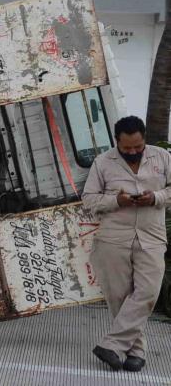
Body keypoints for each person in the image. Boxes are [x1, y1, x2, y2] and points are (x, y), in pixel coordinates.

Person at [82, 115, 171, 372]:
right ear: (116, 142)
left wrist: (156, 197)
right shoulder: (102, 163)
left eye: (138, 147)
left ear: (144, 140)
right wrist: (115, 201)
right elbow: (88, 199)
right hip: (112, 238)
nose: (133, 152)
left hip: (152, 237)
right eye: (127, 148)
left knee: (147, 292)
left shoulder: (162, 158)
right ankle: (135, 353)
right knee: (119, 297)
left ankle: (111, 345)